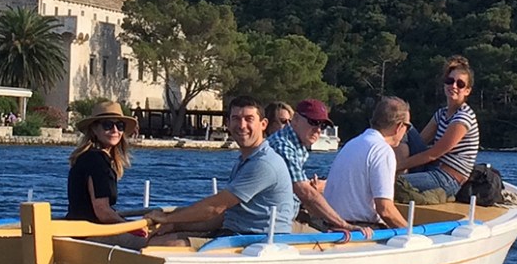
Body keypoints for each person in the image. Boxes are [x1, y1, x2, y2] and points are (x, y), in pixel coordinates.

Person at [146, 96, 296, 242]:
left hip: (259, 242)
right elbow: (220, 216)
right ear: (228, 124)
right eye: (236, 119)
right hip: (236, 235)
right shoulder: (245, 160)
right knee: (160, 237)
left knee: (163, 244)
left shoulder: (264, 164)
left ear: (263, 124)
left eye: (249, 119)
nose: (242, 125)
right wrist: (174, 225)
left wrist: (166, 218)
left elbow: (215, 207)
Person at [268, 99, 370, 234]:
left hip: (278, 219)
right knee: (332, 243)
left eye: (322, 125)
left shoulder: (293, 145)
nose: (318, 130)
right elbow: (305, 193)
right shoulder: (283, 146)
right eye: (313, 122)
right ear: (296, 119)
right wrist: (345, 225)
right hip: (271, 225)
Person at [65, 101, 149, 250]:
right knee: (159, 243)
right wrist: (131, 227)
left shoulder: (87, 157)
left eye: (120, 126)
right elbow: (102, 212)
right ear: (94, 129)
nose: (115, 130)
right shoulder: (97, 160)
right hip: (92, 234)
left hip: (80, 232)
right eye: (108, 125)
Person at [395, 55, 480, 196]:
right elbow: (419, 141)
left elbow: (433, 154)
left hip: (447, 179)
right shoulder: (441, 113)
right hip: (432, 168)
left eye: (460, 84)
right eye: (450, 81)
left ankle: (396, 172)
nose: (453, 86)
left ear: (467, 91)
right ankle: (389, 167)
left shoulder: (463, 117)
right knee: (405, 127)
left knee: (391, 184)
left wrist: (398, 166)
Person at [323, 97, 410, 229]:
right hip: (361, 231)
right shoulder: (382, 151)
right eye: (407, 127)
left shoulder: (351, 144)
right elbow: (385, 210)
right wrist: (413, 234)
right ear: (399, 127)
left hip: (331, 226)